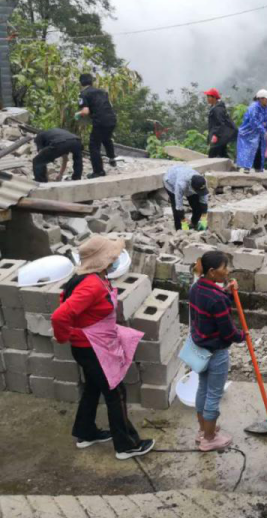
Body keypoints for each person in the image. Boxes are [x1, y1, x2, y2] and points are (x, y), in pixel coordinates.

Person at [51, 235, 155, 459]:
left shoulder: (88, 278)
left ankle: (86, 432)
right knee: (116, 392)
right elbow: (60, 316)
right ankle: (126, 445)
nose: (116, 259)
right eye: (113, 257)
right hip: (93, 349)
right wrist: (64, 336)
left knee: (93, 387)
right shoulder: (90, 286)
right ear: (104, 261)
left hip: (90, 346)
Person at [188, 251, 246, 451]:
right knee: (214, 394)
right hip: (216, 352)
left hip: (200, 348)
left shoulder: (196, 288)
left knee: (202, 389)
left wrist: (227, 292)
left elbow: (210, 307)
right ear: (212, 272)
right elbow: (227, 331)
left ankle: (202, 430)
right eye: (224, 267)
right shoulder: (217, 299)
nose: (227, 271)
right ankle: (210, 438)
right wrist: (242, 336)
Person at [76, 73, 117, 179]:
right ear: (91, 82)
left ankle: (98, 172)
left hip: (100, 120)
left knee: (94, 146)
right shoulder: (102, 91)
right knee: (106, 138)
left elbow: (85, 111)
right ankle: (112, 158)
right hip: (112, 118)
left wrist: (78, 114)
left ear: (81, 83)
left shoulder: (83, 94)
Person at [236, 90, 267, 173]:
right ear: (261, 99)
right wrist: (263, 130)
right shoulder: (253, 108)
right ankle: (246, 168)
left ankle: (258, 168)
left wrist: (265, 124)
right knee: (248, 150)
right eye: (266, 99)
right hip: (248, 133)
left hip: (259, 133)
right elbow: (253, 121)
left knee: (260, 150)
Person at [163, 165, 209, 231]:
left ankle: (194, 223)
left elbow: (204, 201)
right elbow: (179, 205)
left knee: (197, 206)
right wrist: (183, 222)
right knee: (176, 208)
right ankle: (179, 229)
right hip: (170, 182)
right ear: (192, 187)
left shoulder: (201, 181)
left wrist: (204, 219)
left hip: (184, 174)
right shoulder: (181, 184)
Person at [204, 88, 237, 159]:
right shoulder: (215, 107)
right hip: (221, 136)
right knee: (222, 154)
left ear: (214, 98)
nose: (207, 98)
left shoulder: (217, 109)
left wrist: (215, 135)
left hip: (219, 137)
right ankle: (231, 167)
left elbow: (220, 123)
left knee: (212, 155)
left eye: (208, 96)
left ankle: (231, 167)